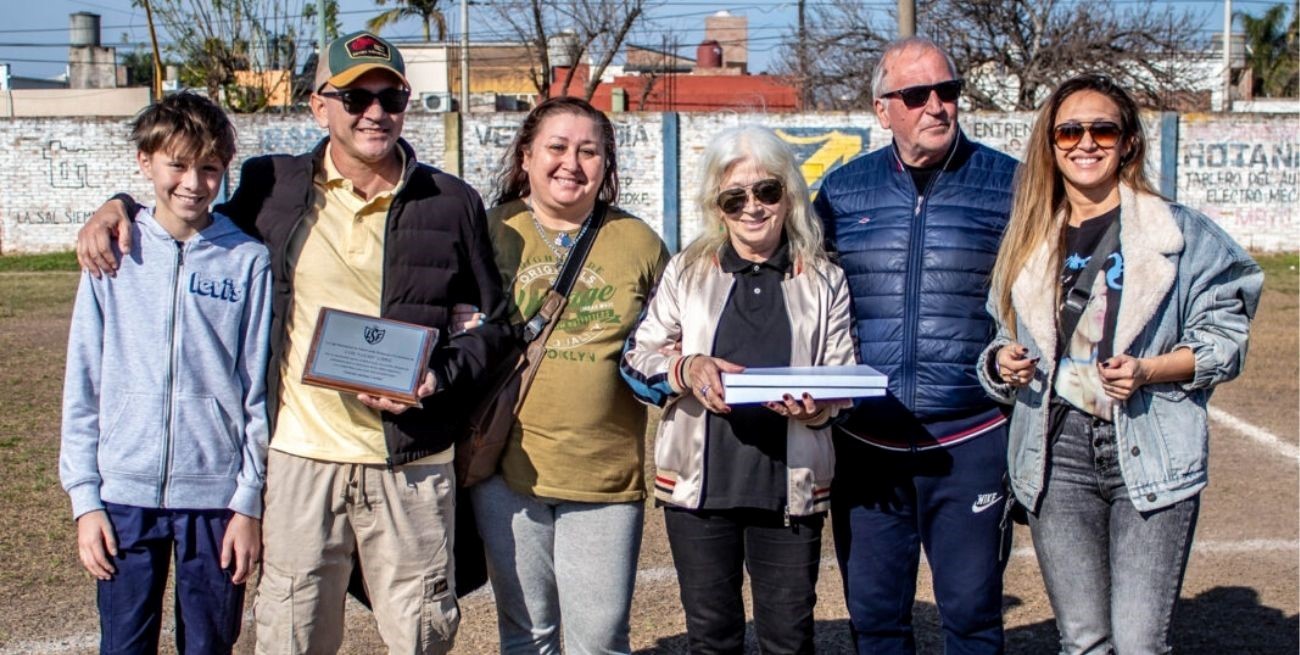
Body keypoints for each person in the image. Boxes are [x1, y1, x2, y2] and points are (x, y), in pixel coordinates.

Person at [74, 31, 514, 654]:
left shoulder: (450, 202)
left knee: (421, 637)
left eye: (391, 97)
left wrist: (435, 377)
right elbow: (187, 212)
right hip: (299, 459)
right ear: (318, 106)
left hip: (410, 464)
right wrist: (115, 207)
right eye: (355, 97)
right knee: (292, 638)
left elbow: (494, 327)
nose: (375, 112)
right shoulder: (270, 186)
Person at [979, 73, 1262, 655]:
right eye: (1070, 131)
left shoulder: (1179, 233)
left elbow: (1227, 336)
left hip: (1147, 442)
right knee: (1082, 640)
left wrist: (1150, 370)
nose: (1086, 143)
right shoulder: (1029, 240)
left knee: (1137, 643)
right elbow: (997, 341)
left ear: (1128, 141)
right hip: (1056, 452)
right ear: (1051, 145)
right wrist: (1002, 363)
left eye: (1102, 128)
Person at [811, 37, 1018, 653]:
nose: (937, 106)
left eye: (948, 91)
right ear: (882, 110)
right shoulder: (842, 192)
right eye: (916, 94)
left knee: (974, 619)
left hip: (970, 441)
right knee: (875, 622)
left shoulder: (1011, 185)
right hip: (866, 445)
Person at [621, 125, 855, 654]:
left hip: (791, 487)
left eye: (766, 191)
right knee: (711, 638)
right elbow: (636, 359)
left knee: (789, 640)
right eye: (735, 197)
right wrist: (688, 368)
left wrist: (816, 408)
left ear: (788, 194)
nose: (753, 207)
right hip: (700, 491)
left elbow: (844, 379)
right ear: (717, 206)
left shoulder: (823, 278)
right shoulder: (685, 270)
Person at [454, 96, 668, 653]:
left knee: (599, 641)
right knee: (527, 636)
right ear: (526, 155)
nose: (571, 162)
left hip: (604, 476)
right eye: (556, 147)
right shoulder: (486, 230)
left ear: (606, 165)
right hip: (505, 470)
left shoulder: (639, 243)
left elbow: (673, 337)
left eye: (589, 151)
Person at [60, 92, 271, 654]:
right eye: (177, 164)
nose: (193, 183)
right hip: (123, 493)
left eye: (208, 168)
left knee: (208, 646)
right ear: (145, 163)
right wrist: (86, 500)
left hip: (215, 498)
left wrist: (248, 501)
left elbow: (256, 390)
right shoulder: (112, 253)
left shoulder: (248, 260)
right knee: (124, 645)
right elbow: (84, 384)